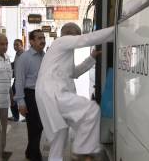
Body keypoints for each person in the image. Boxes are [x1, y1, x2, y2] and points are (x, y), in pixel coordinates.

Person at [35, 23, 115, 161]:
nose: (78, 38)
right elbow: (85, 40)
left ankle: (77, 152)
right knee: (91, 111)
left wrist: (91, 59)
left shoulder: (63, 53)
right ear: (70, 34)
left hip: (49, 94)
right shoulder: (61, 41)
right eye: (77, 34)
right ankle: (82, 153)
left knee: (58, 142)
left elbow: (74, 73)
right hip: (52, 93)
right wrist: (116, 30)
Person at [14, 29, 46, 161]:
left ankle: (29, 151)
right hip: (30, 95)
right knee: (35, 126)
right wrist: (21, 102)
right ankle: (34, 155)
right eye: (39, 38)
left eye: (43, 38)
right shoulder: (24, 58)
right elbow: (19, 81)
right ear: (31, 41)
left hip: (42, 95)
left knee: (39, 126)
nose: (42, 41)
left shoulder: (45, 56)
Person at [8, 39, 24, 122]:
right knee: (12, 97)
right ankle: (15, 116)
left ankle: (26, 117)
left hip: (22, 81)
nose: (15, 46)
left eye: (17, 45)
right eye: (14, 45)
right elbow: (15, 63)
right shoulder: (17, 54)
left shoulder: (24, 55)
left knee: (21, 98)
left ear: (22, 45)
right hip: (17, 79)